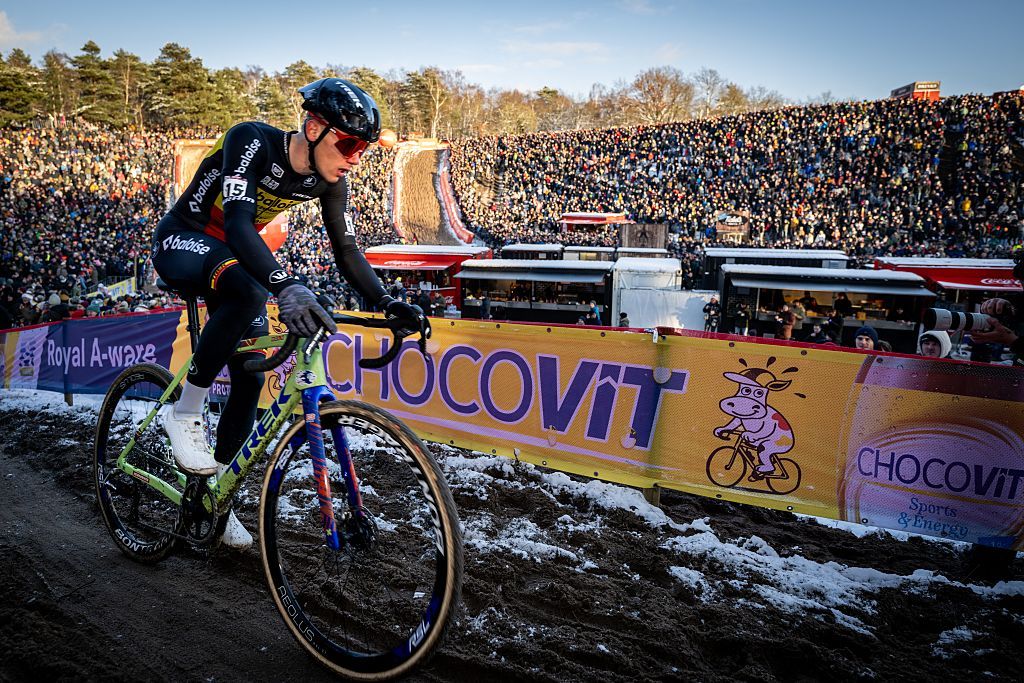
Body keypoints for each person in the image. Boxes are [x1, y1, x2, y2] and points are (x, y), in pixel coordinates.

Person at [152, 78, 426, 549]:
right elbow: (238, 223)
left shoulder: (329, 180)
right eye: (349, 144)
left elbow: (346, 250)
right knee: (250, 292)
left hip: (231, 256)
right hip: (184, 238)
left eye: (363, 148)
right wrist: (286, 286)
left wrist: (385, 300)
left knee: (251, 376)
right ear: (314, 128)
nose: (355, 157)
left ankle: (215, 499)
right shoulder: (251, 140)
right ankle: (186, 411)